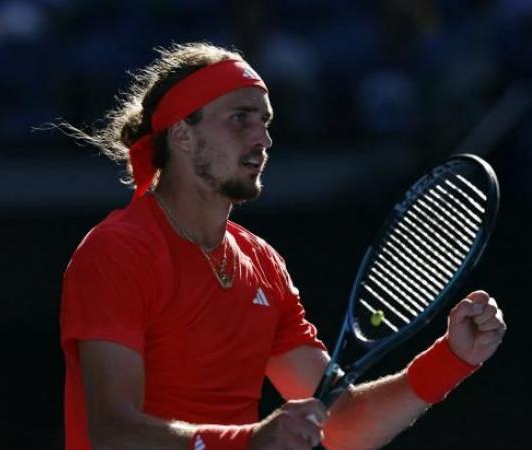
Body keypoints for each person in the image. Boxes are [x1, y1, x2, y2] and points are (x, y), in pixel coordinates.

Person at [59, 42, 507, 450]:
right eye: (240, 119)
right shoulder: (118, 251)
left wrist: (451, 358)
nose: (263, 138)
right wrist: (250, 441)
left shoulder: (262, 264)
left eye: (265, 122)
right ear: (183, 134)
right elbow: (113, 432)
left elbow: (344, 425)